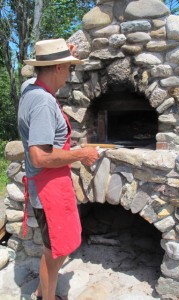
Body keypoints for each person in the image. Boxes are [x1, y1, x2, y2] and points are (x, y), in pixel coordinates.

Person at [18, 38, 99, 300]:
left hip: (52, 184)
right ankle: (45, 298)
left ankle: (43, 291)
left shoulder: (29, 89)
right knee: (55, 250)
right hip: (48, 186)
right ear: (57, 69)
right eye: (68, 67)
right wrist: (80, 154)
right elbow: (40, 155)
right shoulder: (42, 102)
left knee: (59, 246)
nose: (70, 72)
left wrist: (65, 54)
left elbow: (37, 76)